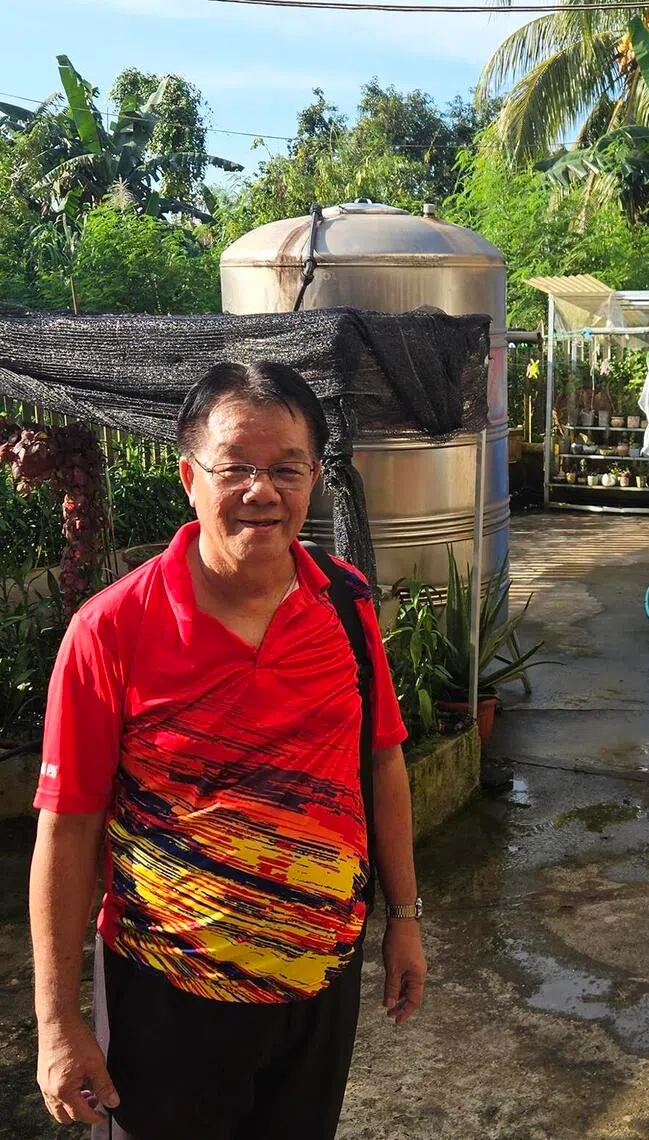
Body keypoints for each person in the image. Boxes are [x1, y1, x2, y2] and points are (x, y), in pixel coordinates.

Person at [29, 361, 427, 1139]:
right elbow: (67, 827)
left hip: (320, 989)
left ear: (314, 477)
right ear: (189, 477)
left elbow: (382, 762)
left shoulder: (345, 604)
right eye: (236, 467)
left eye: (286, 468)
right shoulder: (111, 630)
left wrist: (405, 917)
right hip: (166, 1003)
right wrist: (55, 1020)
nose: (261, 491)